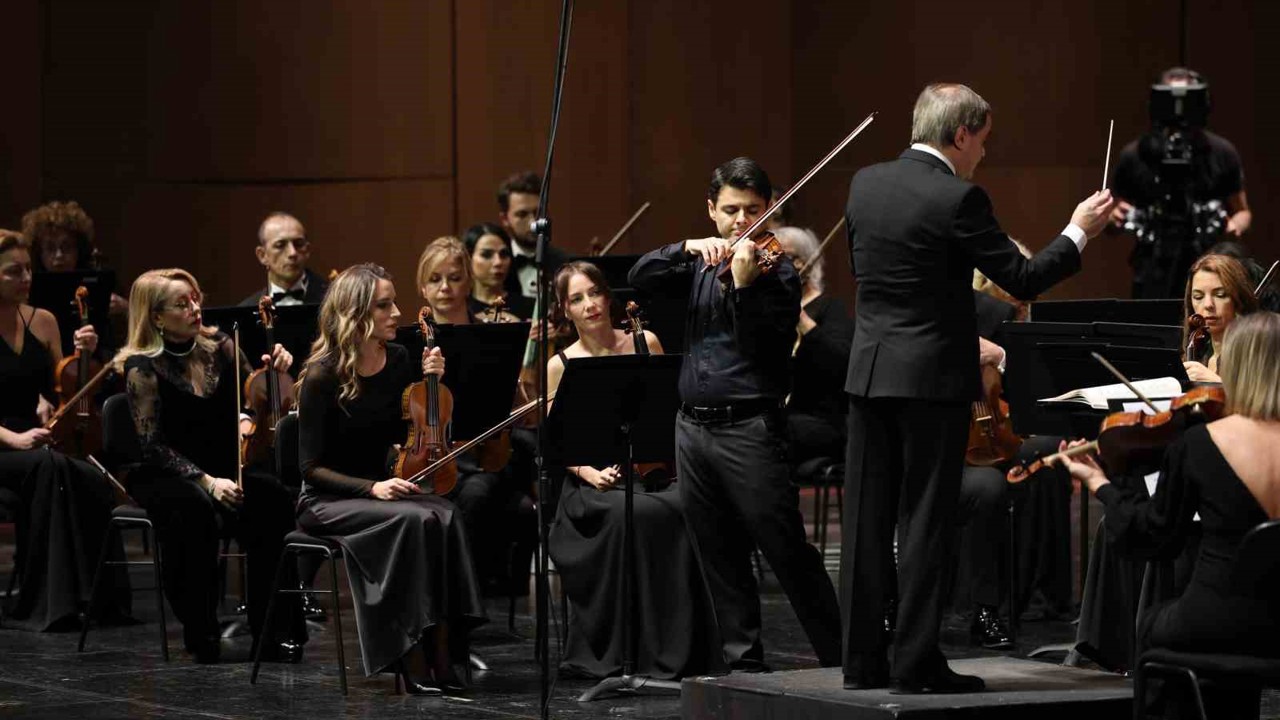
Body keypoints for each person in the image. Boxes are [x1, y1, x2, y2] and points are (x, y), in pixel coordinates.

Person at [841, 83, 1115, 693]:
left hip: (868, 374)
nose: (983, 154)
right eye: (982, 142)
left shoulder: (865, 183)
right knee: (924, 522)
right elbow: (1019, 277)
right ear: (960, 134)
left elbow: (870, 275)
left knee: (866, 520)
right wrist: (1077, 232)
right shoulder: (959, 197)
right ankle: (914, 662)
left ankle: (861, 663)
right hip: (932, 381)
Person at [629, 157, 842, 672]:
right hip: (692, 426)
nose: (741, 221)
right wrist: (682, 248)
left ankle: (843, 655)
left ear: (768, 209)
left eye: (752, 209)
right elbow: (638, 276)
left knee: (785, 547)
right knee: (718, 553)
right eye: (730, 211)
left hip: (749, 428)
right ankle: (743, 663)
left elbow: (761, 346)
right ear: (711, 211)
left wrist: (744, 287)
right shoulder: (698, 263)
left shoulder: (779, 273)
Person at [1059, 311, 1280, 719]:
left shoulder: (1201, 442)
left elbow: (1153, 537)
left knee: (1152, 624)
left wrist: (1101, 483)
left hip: (1213, 621)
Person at [295, 263, 486, 694]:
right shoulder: (322, 376)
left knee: (445, 514)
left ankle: (444, 649)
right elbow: (309, 469)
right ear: (356, 312)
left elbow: (409, 430)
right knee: (415, 520)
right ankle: (410, 656)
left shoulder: (398, 360)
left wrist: (432, 383)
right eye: (384, 305)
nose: (396, 312)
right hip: (328, 500)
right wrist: (372, 488)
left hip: (384, 490)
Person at [115, 268, 304, 663]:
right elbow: (153, 447)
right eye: (182, 304)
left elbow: (252, 399)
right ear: (156, 317)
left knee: (272, 499)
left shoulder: (221, 345)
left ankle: (273, 631)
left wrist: (276, 373)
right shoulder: (142, 368)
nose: (195, 308)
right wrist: (207, 482)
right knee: (192, 510)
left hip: (222, 465)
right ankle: (201, 631)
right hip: (166, 473)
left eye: (196, 298)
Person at [545, 260, 721, 679]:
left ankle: (681, 648)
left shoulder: (646, 342)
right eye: (577, 299)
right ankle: (629, 650)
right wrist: (590, 472)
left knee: (685, 507)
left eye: (594, 293)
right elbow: (559, 442)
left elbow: (668, 415)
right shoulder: (561, 363)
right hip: (592, 485)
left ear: (608, 296)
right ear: (565, 310)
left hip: (650, 473)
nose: (589, 305)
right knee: (637, 515)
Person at [0, 229, 125, 631]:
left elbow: (58, 387)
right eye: (12, 272)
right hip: (6, 444)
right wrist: (14, 438)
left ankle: (101, 601)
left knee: (89, 473)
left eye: (27, 270)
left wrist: (81, 362)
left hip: (36, 440)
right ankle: (47, 604)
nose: (26, 278)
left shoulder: (44, 320)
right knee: (50, 468)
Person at [414, 237, 534, 595]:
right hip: (431, 457)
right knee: (459, 495)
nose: (445, 288)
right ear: (422, 287)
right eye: (435, 279)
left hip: (486, 457)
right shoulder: (411, 344)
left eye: (453, 277)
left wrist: (514, 390)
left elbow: (519, 411)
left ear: (469, 281)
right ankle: (450, 599)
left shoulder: (493, 334)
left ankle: (464, 598)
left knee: (479, 494)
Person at [1110, 67, 1252, 299]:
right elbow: (1113, 214)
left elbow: (1242, 212)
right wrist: (1113, 217)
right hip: (1152, 269)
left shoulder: (1222, 152)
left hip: (1210, 263)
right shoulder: (1136, 154)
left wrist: (1233, 226)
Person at [772, 225, 852, 465]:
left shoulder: (831, 309)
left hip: (823, 420)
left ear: (807, 262)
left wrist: (801, 319)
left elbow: (842, 364)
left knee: (769, 432)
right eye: (774, 258)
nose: (780, 266)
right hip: (782, 415)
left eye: (789, 258)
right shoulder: (771, 311)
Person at [1182, 253, 1259, 383]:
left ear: (1239, 300)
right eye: (1198, 297)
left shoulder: (1257, 355)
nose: (1208, 305)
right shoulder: (1200, 355)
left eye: (1220, 295)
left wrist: (1217, 382)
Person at [497, 172, 567, 303]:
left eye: (538, 212)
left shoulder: (564, 264)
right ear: (505, 219)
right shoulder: (496, 264)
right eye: (522, 214)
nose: (532, 222)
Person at [238, 213, 329, 307]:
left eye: (299, 244)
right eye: (280, 245)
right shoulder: (247, 308)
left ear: (307, 251)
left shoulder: (332, 300)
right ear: (262, 255)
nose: (292, 253)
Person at [462, 223, 534, 320]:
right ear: (468, 258)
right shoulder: (459, 308)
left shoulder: (531, 307)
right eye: (487, 255)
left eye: (504, 254)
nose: (498, 262)